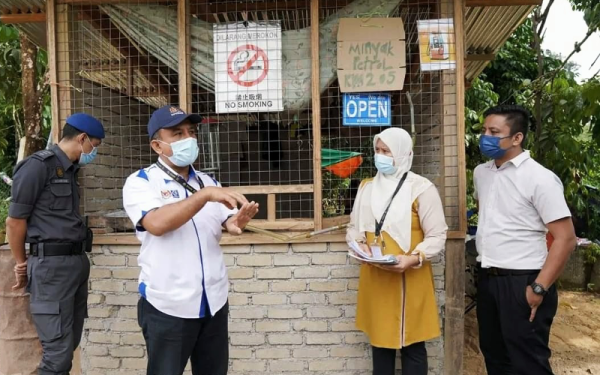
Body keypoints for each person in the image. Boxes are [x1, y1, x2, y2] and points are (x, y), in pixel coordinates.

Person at [122, 105, 259, 375]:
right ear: (157, 145)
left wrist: (238, 221)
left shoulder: (207, 181)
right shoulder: (141, 182)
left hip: (214, 302)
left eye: (192, 132)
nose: (189, 138)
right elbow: (157, 224)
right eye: (178, 133)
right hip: (168, 307)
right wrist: (204, 196)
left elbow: (227, 222)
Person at [474, 105, 577, 375]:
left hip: (524, 281)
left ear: (517, 138)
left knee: (528, 363)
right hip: (488, 279)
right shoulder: (481, 173)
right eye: (484, 130)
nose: (486, 136)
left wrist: (539, 287)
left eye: (494, 132)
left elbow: (565, 238)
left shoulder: (540, 179)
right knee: (495, 358)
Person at [6, 113, 105, 375]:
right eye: (94, 146)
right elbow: (15, 222)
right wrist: (20, 262)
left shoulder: (71, 170)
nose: (93, 152)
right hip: (51, 267)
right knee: (57, 358)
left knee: (68, 345)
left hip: (74, 264)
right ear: (82, 138)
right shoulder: (38, 167)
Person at [346, 127, 448, 375]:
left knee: (412, 343)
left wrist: (413, 258)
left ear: (403, 154)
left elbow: (437, 234)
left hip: (409, 276)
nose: (380, 156)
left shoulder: (421, 188)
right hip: (376, 274)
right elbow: (354, 227)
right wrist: (358, 245)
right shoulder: (366, 188)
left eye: (387, 151)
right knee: (380, 343)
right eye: (377, 150)